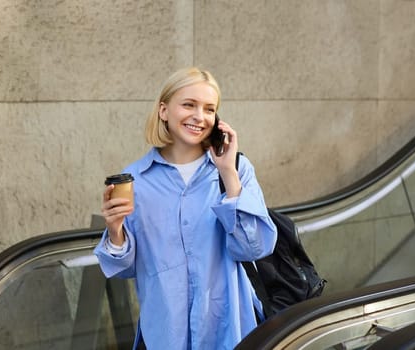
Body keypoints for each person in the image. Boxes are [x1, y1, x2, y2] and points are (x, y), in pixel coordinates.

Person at [95, 67, 278, 349]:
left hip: (230, 331)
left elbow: (253, 248)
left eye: (209, 109)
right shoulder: (136, 180)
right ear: (164, 110)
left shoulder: (237, 170)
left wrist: (228, 174)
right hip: (165, 333)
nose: (199, 116)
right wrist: (115, 230)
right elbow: (125, 270)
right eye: (189, 105)